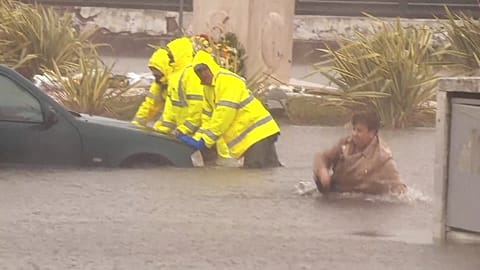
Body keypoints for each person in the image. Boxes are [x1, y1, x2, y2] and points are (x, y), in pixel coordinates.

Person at [177, 50, 282, 168]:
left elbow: (224, 115)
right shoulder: (208, 89)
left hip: (258, 133)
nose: (202, 74)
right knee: (270, 169)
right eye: (198, 71)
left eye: (204, 69)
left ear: (211, 67)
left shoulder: (227, 81)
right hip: (258, 134)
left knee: (253, 171)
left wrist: (205, 141)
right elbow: (207, 119)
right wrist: (197, 139)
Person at [154, 37, 232, 165]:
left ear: (179, 53)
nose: (169, 57)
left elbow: (198, 109)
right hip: (191, 135)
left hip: (202, 135)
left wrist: (186, 131)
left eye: (170, 54)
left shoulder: (190, 74)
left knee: (214, 168)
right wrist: (161, 131)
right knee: (204, 171)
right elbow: (171, 111)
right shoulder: (175, 76)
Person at [313, 111, 406, 194]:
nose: (354, 134)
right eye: (353, 129)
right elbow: (321, 157)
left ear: (372, 133)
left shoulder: (383, 158)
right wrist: (323, 171)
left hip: (362, 200)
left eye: (359, 131)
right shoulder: (345, 143)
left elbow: (400, 190)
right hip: (334, 193)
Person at [131, 48, 171, 128]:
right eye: (152, 70)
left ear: (166, 68)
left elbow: (172, 112)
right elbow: (149, 105)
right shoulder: (159, 82)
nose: (154, 73)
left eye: (156, 70)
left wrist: (159, 128)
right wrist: (135, 124)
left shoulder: (176, 83)